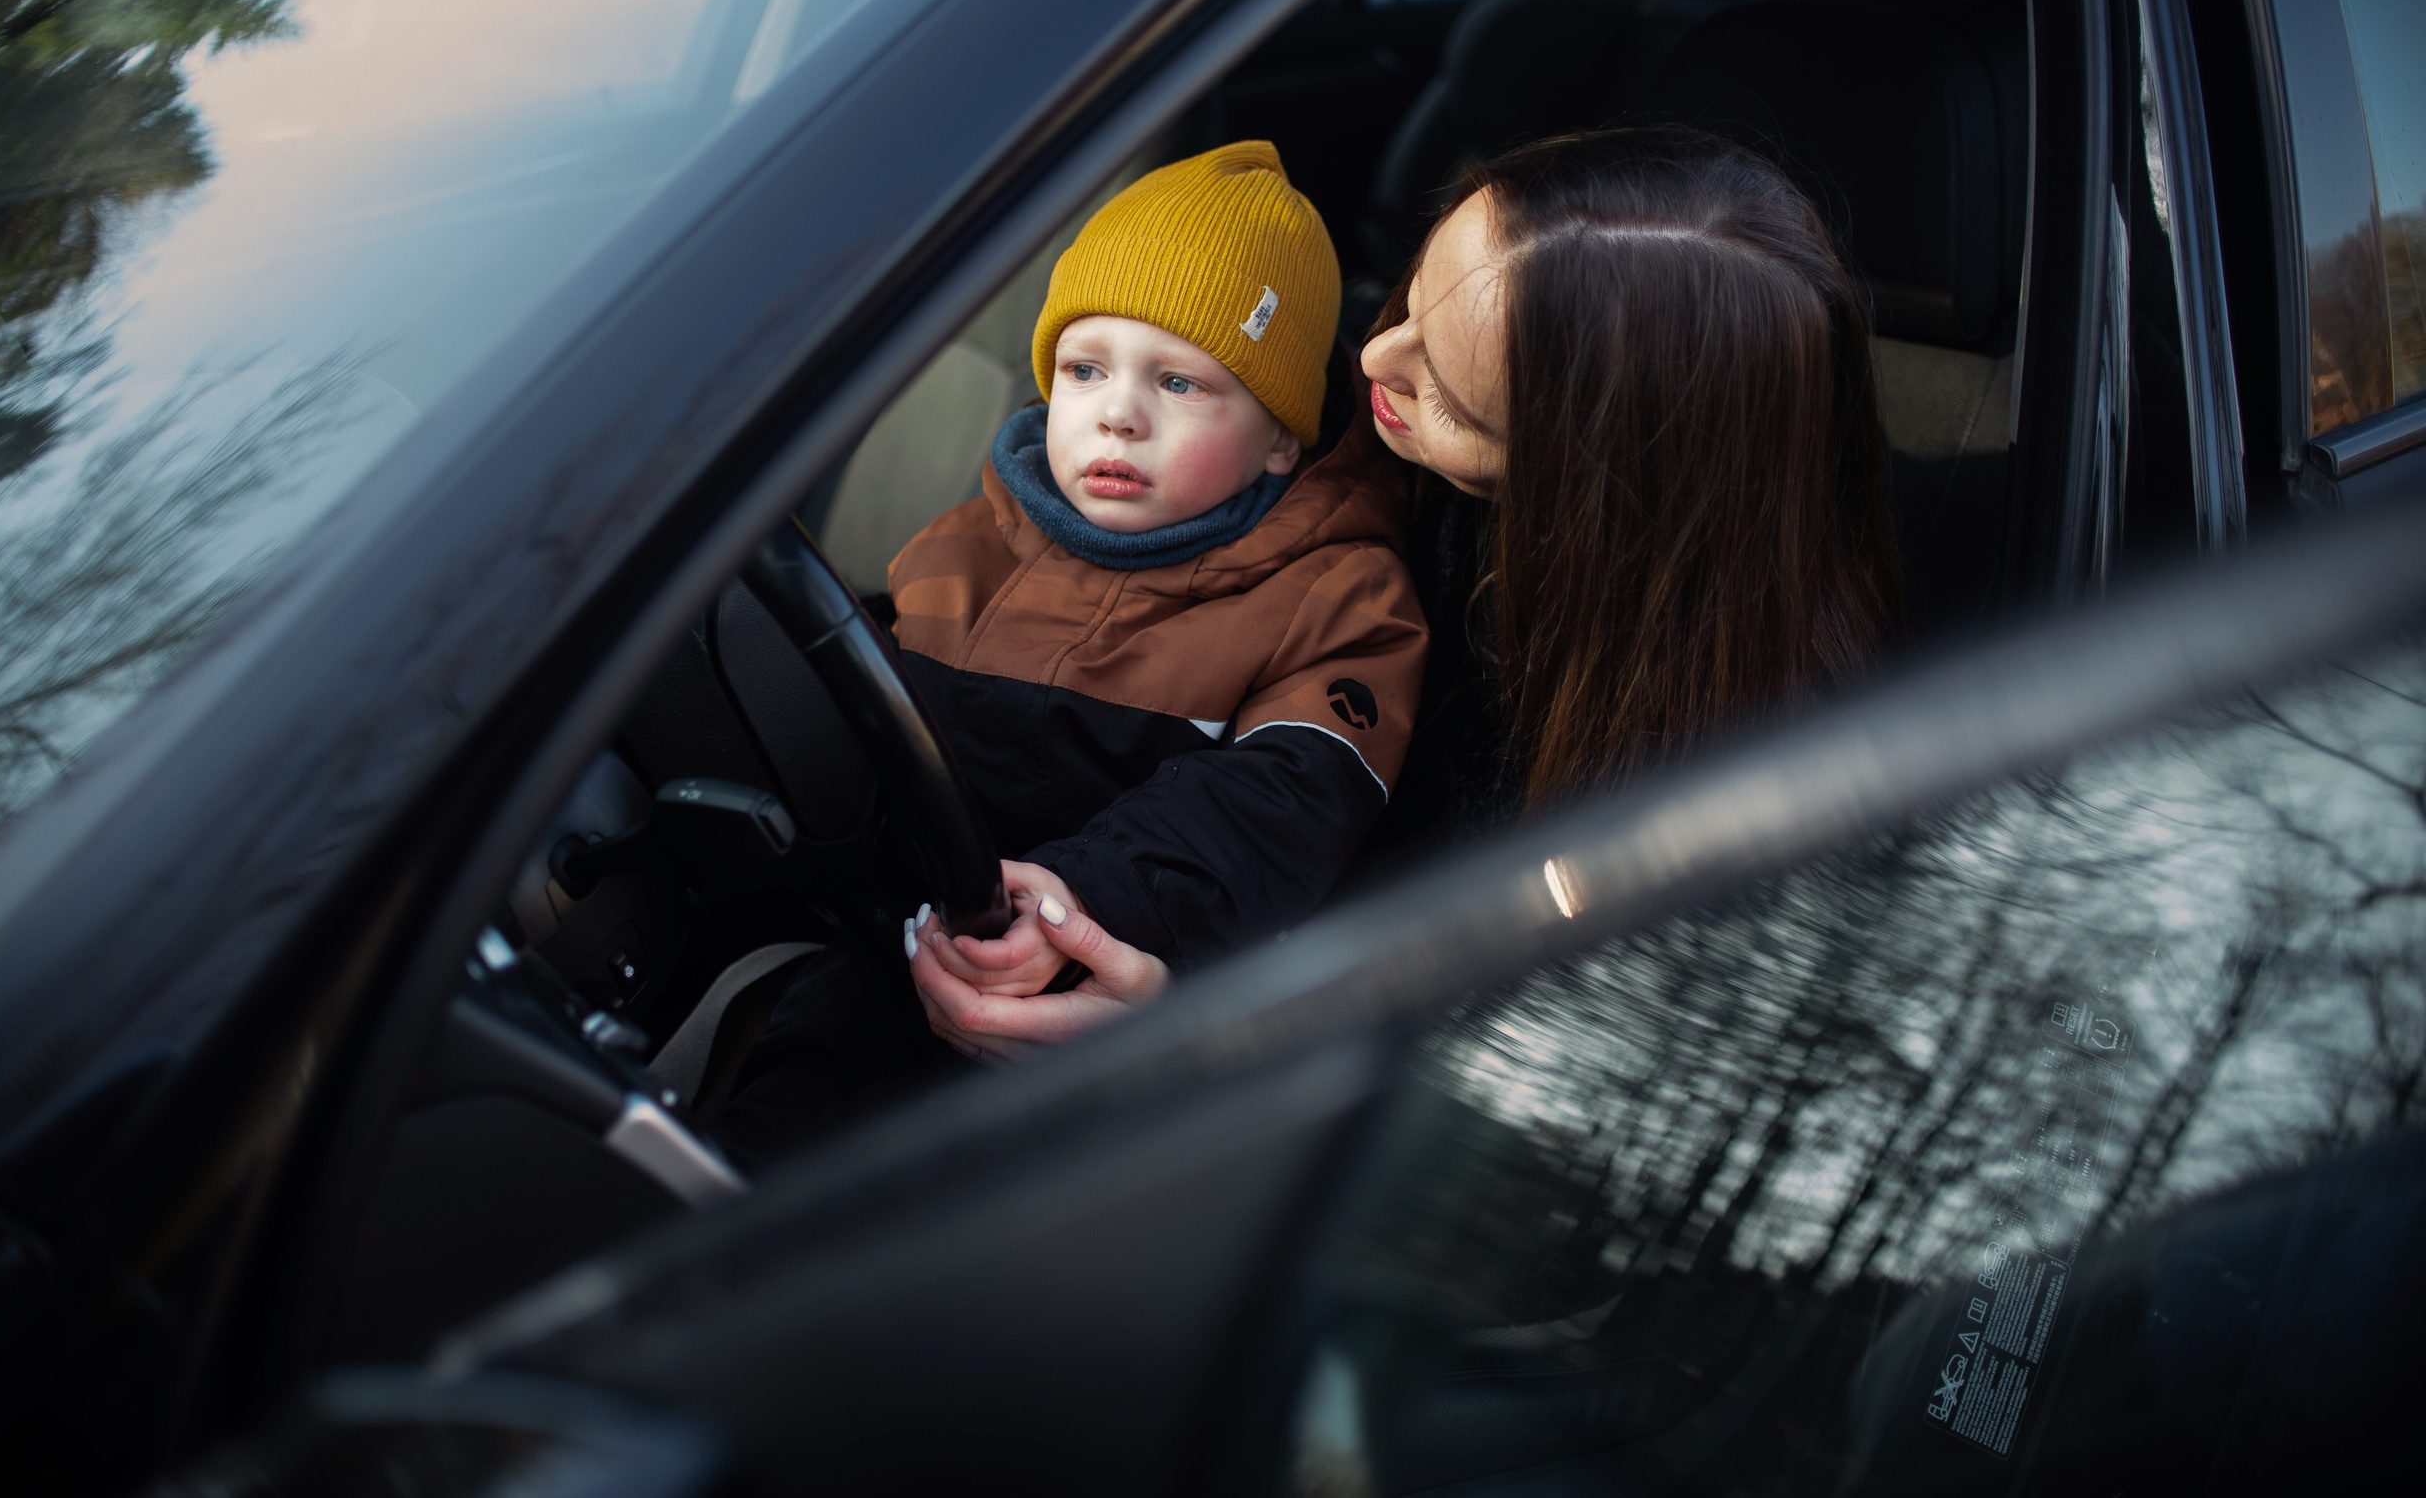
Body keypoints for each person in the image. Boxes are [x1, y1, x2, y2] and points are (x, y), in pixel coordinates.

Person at [913, 124, 1904, 1053]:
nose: (1373, 357)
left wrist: (1192, 1029)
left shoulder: (1716, 801)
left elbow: (1484, 1059)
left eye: (1450, 391)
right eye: (1411, 297)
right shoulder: (1333, 444)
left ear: (1580, 481)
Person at [713, 140, 1428, 1165]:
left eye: (1179, 381)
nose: (1118, 413)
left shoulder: (1336, 595)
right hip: (897, 956)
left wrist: (1078, 899)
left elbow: (1276, 803)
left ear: (1281, 436)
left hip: (1114, 1002)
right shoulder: (966, 543)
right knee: (781, 1110)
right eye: (1085, 368)